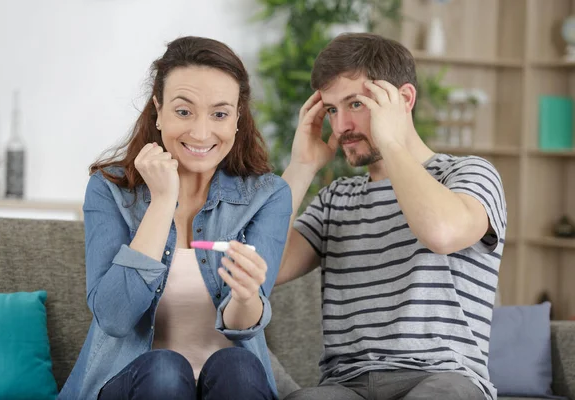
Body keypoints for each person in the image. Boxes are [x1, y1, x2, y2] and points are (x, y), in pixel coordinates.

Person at [58, 36, 292, 400]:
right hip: (136, 386)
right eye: (184, 111)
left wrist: (246, 297)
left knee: (239, 366)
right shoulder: (109, 190)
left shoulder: (267, 196)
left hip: (230, 387)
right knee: (165, 369)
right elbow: (115, 318)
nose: (201, 132)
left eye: (219, 113)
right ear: (158, 109)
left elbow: (243, 326)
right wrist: (162, 202)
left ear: (237, 119)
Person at [277, 33, 507, 400]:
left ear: (403, 99)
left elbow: (441, 232)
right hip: (347, 385)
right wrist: (302, 167)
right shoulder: (336, 198)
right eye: (332, 110)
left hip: (444, 378)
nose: (340, 127)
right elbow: (259, 268)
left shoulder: (467, 176)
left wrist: (392, 143)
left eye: (355, 104)